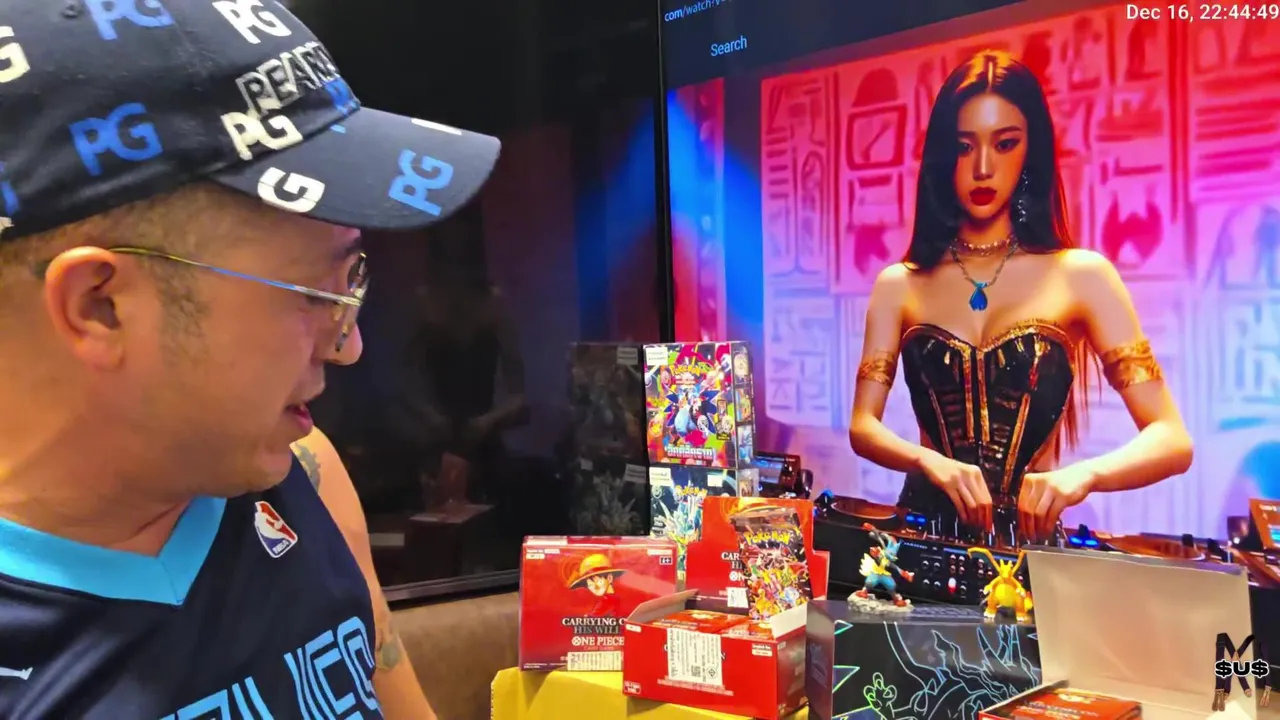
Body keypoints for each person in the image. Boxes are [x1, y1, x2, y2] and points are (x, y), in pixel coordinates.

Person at [0, 2, 499, 718]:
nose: (349, 345)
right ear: (101, 305)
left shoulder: (306, 472)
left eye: (353, 279)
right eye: (315, 292)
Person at [847, 50, 1193, 543]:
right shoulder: (898, 284)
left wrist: (1083, 475)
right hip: (922, 541)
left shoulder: (1082, 277)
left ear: (1030, 151)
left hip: (1030, 550)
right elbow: (863, 426)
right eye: (964, 147)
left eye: (1005, 143)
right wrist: (928, 461)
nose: (983, 167)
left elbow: (1172, 439)